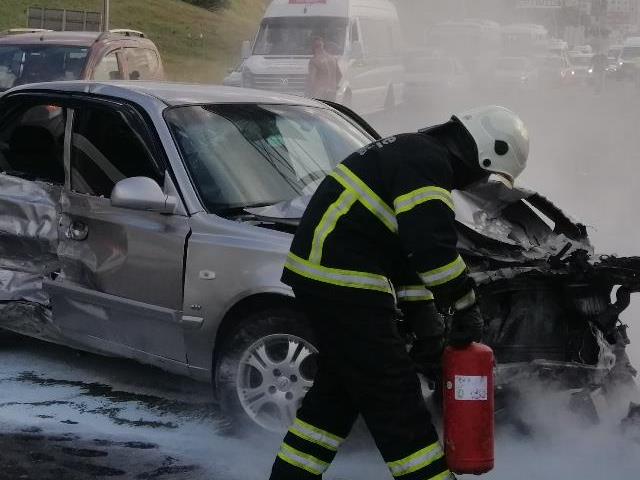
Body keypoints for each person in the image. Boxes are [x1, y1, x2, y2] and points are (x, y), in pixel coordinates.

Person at [268, 105, 529, 480]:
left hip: (329, 278)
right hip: (343, 280)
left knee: (335, 399)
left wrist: (425, 319)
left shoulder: (416, 153)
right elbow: (431, 249)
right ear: (486, 153)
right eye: (487, 174)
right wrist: (464, 301)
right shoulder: (428, 164)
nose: (479, 182)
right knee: (395, 399)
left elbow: (406, 257)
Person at [306, 37, 341, 101]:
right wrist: (335, 85)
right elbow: (339, 75)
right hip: (332, 91)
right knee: (330, 110)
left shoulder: (314, 60)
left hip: (320, 93)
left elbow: (311, 79)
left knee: (319, 110)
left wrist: (309, 92)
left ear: (313, 47)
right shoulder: (332, 58)